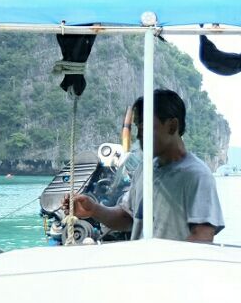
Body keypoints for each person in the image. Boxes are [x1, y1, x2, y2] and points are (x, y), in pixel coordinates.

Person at [67, 89, 223, 243]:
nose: (139, 136)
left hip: (169, 268)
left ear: (172, 126)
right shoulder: (144, 169)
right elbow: (127, 218)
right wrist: (93, 209)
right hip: (141, 265)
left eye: (145, 128)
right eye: (137, 128)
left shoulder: (196, 176)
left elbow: (203, 236)